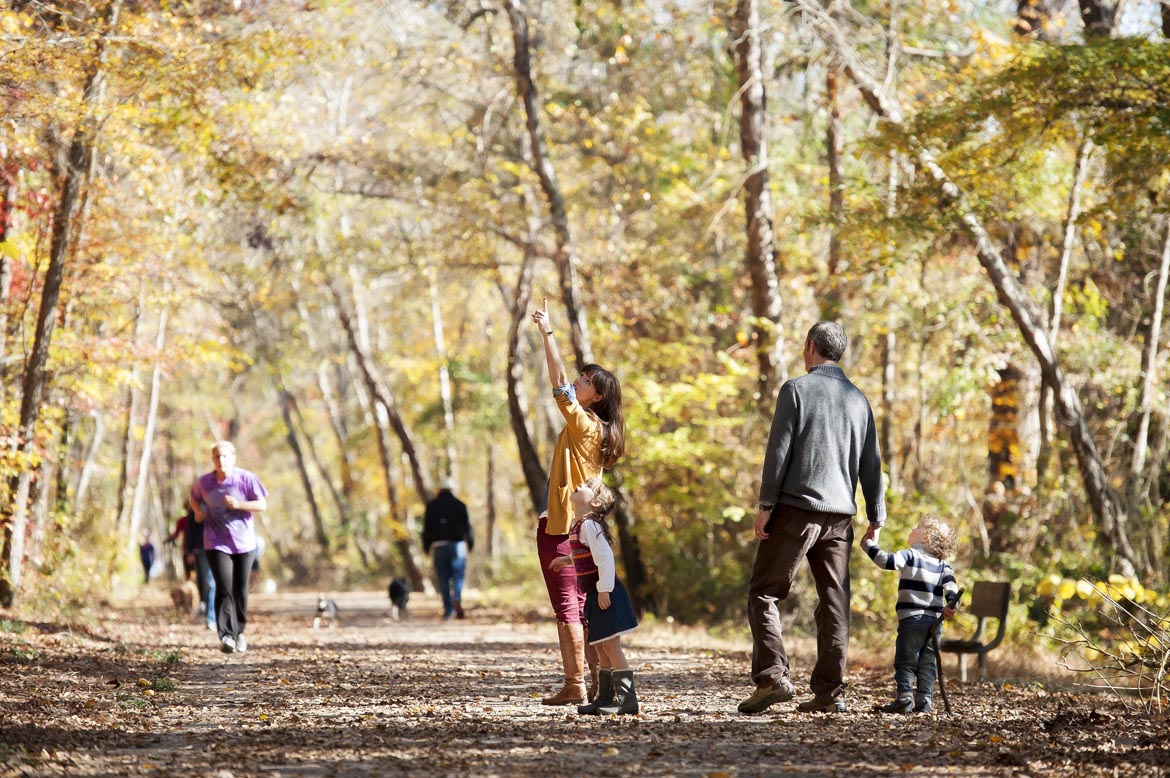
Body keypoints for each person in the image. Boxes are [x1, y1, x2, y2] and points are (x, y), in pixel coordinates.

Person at [739, 321, 886, 715]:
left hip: (796, 509)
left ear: (810, 347)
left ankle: (771, 678)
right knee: (835, 601)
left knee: (764, 591)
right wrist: (876, 513)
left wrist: (766, 505)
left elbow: (779, 451)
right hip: (840, 516)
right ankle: (829, 693)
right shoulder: (858, 399)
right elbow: (871, 464)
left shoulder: (796, 389)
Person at [531, 298, 625, 706]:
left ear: (597, 396)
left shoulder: (586, 424)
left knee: (568, 605)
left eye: (585, 381)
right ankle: (595, 684)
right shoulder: (603, 431)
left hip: (564, 525)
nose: (577, 382)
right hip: (583, 525)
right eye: (582, 378)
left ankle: (577, 685)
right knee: (583, 604)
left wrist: (547, 333)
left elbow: (557, 386)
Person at [549, 476, 639, 715]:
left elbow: (605, 559)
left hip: (605, 593)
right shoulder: (580, 524)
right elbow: (588, 555)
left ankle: (628, 700)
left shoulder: (589, 524)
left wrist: (604, 590)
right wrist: (568, 560)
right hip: (594, 593)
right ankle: (605, 698)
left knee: (610, 646)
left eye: (588, 486)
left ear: (596, 502)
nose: (580, 485)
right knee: (600, 648)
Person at [861, 514, 959, 714]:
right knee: (927, 661)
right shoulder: (943, 565)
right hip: (935, 621)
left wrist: (868, 545)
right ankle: (924, 700)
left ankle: (905, 698)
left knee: (906, 659)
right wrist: (952, 606)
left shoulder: (910, 555)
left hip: (912, 618)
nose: (912, 529)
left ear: (925, 538)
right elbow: (952, 590)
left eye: (917, 527)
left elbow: (887, 561)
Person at [189, 440, 268, 655]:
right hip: (215, 542)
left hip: (244, 543)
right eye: (216, 456)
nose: (220, 460)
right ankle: (226, 635)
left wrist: (239, 505)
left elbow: (262, 504)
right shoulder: (205, 482)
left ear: (233, 457)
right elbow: (193, 498)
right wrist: (197, 512)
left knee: (239, 590)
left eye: (224, 456)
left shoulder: (246, 479)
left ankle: (240, 631)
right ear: (212, 459)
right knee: (223, 587)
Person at [422, 476, 474, 619]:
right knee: (458, 576)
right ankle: (456, 596)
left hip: (439, 546)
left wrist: (426, 547)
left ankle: (449, 610)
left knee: (443, 578)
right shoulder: (460, 505)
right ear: (452, 489)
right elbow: (468, 527)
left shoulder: (432, 506)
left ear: (439, 488)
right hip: (458, 546)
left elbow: (427, 528)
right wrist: (470, 543)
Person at [166, 506, 216, 630]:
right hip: (197, 550)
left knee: (205, 580)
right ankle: (200, 605)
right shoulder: (189, 517)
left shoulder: (214, 507)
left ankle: (205, 607)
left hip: (210, 548)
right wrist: (189, 551)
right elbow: (188, 533)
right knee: (197, 579)